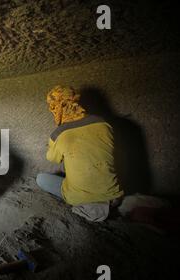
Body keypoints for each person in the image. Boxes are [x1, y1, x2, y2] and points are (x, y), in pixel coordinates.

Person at [36, 85, 124, 222]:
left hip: (80, 200)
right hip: (114, 197)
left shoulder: (59, 134)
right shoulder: (103, 123)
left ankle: (86, 203)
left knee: (41, 178)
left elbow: (52, 158)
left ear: (55, 107)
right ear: (75, 101)